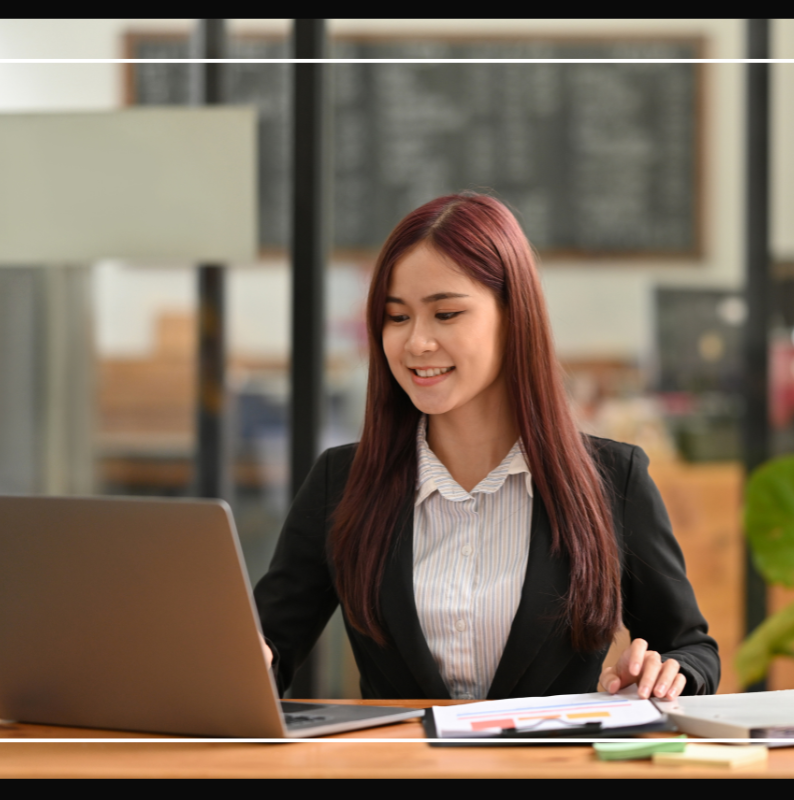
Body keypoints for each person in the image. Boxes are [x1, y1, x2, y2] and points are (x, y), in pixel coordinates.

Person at [253, 193, 719, 701]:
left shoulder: (611, 479)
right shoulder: (340, 483)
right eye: (397, 317)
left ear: (513, 315)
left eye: (446, 314)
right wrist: (248, 658)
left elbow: (691, 649)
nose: (416, 343)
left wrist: (664, 673)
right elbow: (268, 649)